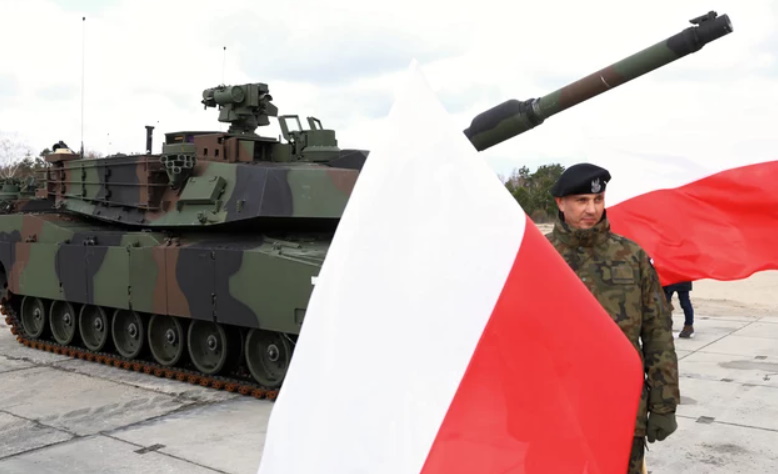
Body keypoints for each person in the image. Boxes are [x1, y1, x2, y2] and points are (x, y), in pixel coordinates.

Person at [545, 163, 680, 474]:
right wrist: (515, 409)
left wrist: (664, 403)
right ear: (560, 203)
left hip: (621, 408)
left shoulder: (632, 257)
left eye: (598, 199)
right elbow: (517, 341)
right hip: (555, 412)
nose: (592, 209)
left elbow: (658, 333)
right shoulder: (542, 257)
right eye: (581, 200)